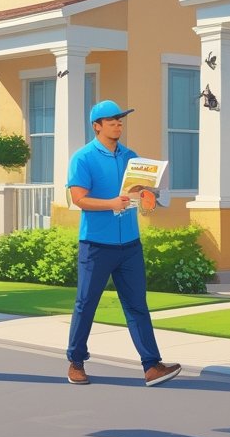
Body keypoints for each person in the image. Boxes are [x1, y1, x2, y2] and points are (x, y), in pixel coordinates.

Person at [65, 100, 181, 387]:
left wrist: (148, 199)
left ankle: (151, 366)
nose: (118, 124)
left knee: (137, 305)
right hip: (96, 245)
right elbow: (78, 199)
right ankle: (76, 362)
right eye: (112, 120)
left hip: (129, 244)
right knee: (86, 304)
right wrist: (111, 203)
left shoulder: (132, 158)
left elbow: (138, 195)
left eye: (120, 120)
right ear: (97, 126)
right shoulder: (83, 158)